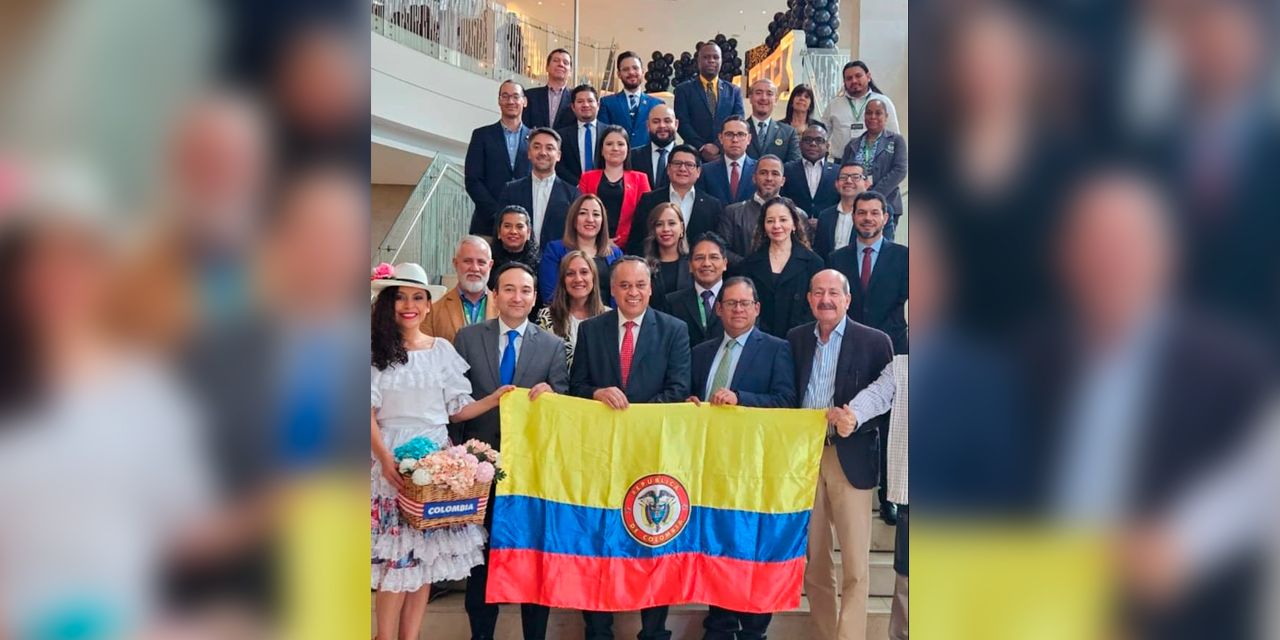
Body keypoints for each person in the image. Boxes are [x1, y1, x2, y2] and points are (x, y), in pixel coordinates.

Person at [370, 263, 511, 640]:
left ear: (429, 305)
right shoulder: (372, 350)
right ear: (388, 303)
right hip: (390, 458)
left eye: (418, 297)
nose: (409, 305)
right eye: (400, 297)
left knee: (424, 561)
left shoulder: (441, 351)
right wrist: (385, 460)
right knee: (395, 562)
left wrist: (494, 399)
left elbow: (455, 410)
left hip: (435, 462)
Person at [569, 256, 691, 640]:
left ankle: (653, 631)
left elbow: (678, 390)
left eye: (639, 285)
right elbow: (576, 388)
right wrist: (597, 392)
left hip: (652, 456)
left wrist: (634, 419)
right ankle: (598, 629)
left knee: (653, 541)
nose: (632, 292)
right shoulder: (591, 330)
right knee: (598, 541)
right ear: (612, 290)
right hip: (601, 456)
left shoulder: (674, 329)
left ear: (650, 288)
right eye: (624, 286)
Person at [452, 263, 569, 640]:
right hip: (479, 469)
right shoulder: (468, 338)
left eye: (525, 290)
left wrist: (553, 396)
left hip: (531, 473)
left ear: (535, 297)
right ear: (495, 294)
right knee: (480, 562)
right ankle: (480, 635)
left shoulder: (552, 345)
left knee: (532, 559)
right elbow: (456, 400)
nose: (517, 297)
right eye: (509, 289)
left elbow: (566, 405)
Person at [688, 276, 797, 640]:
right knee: (718, 548)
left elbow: (785, 402)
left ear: (757, 308)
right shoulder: (702, 351)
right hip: (711, 469)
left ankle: (753, 629)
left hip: (755, 470)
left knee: (752, 550)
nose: (737, 310)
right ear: (718, 309)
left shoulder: (777, 348)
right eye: (730, 303)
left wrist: (740, 398)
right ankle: (718, 625)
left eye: (744, 303)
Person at [788, 269, 893, 640]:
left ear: (848, 300)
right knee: (815, 560)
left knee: (854, 564)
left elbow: (886, 401)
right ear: (809, 299)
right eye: (818, 292)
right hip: (804, 459)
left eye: (834, 292)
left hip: (850, 457)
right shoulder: (796, 339)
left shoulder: (875, 341)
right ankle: (822, 633)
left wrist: (854, 420)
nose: (826, 299)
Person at [729, 197, 824, 337]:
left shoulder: (814, 263)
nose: (776, 226)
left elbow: (815, 306)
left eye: (783, 220)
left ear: (794, 224)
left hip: (800, 340)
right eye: (770, 221)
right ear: (763, 226)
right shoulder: (749, 264)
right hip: (759, 341)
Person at [829, 191, 909, 356]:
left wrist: (875, 338)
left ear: (885, 218)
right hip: (848, 347)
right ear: (853, 217)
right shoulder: (836, 259)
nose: (867, 218)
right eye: (862, 212)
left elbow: (906, 303)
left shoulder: (906, 257)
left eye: (874, 213)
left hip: (892, 347)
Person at [627, 144, 724, 258]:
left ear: (698, 171)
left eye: (689, 165)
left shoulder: (712, 205)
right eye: (677, 164)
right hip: (656, 268)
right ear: (668, 169)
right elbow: (636, 242)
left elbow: (715, 245)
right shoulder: (649, 200)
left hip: (696, 271)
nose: (682, 169)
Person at [465, 80, 532, 235]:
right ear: (499, 100)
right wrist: (498, 215)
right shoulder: (481, 135)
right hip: (487, 224)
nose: (510, 101)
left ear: (524, 101)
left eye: (516, 96)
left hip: (525, 227)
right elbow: (473, 180)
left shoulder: (536, 138)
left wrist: (520, 218)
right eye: (505, 96)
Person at [498, 127, 582, 249]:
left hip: (557, 263)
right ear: (529, 153)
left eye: (549, 148)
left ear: (558, 155)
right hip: (517, 261)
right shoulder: (511, 190)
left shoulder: (573, 194)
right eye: (537, 147)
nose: (543, 153)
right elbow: (500, 230)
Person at [719, 155, 811, 264]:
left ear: (783, 180)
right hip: (744, 277)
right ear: (754, 178)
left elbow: (805, 252)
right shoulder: (733, 213)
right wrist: (752, 267)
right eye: (763, 173)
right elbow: (722, 250)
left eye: (775, 174)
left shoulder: (799, 215)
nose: (769, 178)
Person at [840, 98, 907, 241]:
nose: (873, 117)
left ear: (886, 117)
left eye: (878, 113)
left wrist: (873, 196)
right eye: (869, 113)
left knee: (883, 249)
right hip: (856, 206)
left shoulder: (896, 141)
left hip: (887, 202)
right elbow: (844, 172)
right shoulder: (853, 144)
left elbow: (900, 170)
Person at [538, 194, 624, 305]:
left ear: (602, 221)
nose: (590, 219)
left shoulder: (616, 253)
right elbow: (550, 295)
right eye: (583, 213)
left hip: (608, 319)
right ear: (573, 218)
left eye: (596, 214)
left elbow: (620, 293)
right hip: (566, 318)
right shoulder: (555, 250)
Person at [576, 123, 652, 248]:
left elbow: (646, 217)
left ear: (628, 149)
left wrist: (620, 240)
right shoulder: (587, 178)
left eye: (620, 144)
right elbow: (579, 213)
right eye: (609, 144)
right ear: (601, 150)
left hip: (630, 246)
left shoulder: (640, 179)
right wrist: (602, 241)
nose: (615, 148)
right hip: (592, 245)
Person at [535, 250, 610, 367]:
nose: (578, 279)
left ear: (593, 277)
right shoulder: (546, 316)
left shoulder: (610, 317)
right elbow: (540, 362)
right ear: (562, 280)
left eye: (584, 272)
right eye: (570, 274)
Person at [674, 42, 745, 163]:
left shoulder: (734, 91)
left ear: (721, 61)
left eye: (715, 57)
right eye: (706, 57)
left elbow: (738, 122)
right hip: (694, 155)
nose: (711, 60)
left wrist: (718, 146)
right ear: (698, 61)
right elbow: (683, 123)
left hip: (724, 155)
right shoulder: (683, 90)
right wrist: (702, 147)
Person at [424, 236, 498, 343]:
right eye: (467, 261)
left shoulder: (504, 308)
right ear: (455, 263)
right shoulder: (434, 312)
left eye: (481, 262)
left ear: (490, 266)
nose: (474, 268)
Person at [823, 60, 901, 162]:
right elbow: (823, 135)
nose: (854, 81)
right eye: (849, 78)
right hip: (841, 164)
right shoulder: (834, 105)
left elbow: (894, 137)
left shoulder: (883, 102)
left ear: (868, 76)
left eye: (858, 76)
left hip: (875, 165)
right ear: (844, 82)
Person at [666, 232, 730, 348]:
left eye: (713, 257)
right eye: (699, 258)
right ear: (690, 265)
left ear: (725, 263)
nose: (706, 263)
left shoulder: (738, 301)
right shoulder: (673, 302)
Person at [598, 51, 664, 148]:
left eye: (635, 68)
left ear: (643, 71)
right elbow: (603, 135)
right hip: (618, 159)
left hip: (646, 160)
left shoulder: (657, 104)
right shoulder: (607, 103)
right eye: (626, 69)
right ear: (619, 74)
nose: (631, 72)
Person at [813, 162, 872, 261]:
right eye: (843, 177)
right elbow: (819, 251)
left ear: (867, 184)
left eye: (855, 177)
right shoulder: (825, 215)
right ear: (836, 184)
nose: (848, 181)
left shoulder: (875, 215)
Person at [641, 202, 692, 311]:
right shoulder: (642, 267)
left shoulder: (693, 264)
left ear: (682, 228)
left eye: (672, 223)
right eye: (659, 224)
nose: (666, 229)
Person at [782, 122, 841, 216]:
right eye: (808, 140)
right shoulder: (787, 170)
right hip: (795, 226)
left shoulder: (838, 172)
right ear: (800, 145)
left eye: (819, 140)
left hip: (827, 227)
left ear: (827, 147)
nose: (813, 144)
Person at [697, 116, 756, 206]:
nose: (735, 140)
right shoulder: (705, 171)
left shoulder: (759, 169)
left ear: (749, 139)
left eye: (740, 134)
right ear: (720, 138)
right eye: (729, 134)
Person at [554, 84, 602, 186]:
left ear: (598, 105)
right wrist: (579, 184)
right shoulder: (562, 135)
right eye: (580, 101)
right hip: (572, 190)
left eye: (590, 101)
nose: (585, 105)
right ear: (573, 107)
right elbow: (559, 165)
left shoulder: (609, 133)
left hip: (604, 189)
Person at [487, 206, 541, 292]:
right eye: (507, 226)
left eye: (519, 227)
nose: (513, 231)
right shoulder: (487, 262)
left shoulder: (540, 263)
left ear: (528, 232)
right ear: (499, 231)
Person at [746, 78, 800, 163]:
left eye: (769, 94)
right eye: (758, 93)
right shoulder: (739, 130)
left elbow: (794, 164)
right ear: (750, 98)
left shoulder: (788, 133)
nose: (764, 98)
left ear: (776, 100)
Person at [522, 48, 576, 130]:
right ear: (547, 67)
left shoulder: (576, 98)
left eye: (565, 63)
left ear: (571, 72)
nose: (561, 64)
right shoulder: (530, 96)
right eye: (556, 60)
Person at [630, 103, 680, 190]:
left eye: (667, 121)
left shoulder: (686, 158)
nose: (662, 125)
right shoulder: (633, 156)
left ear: (676, 125)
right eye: (656, 122)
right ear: (648, 126)